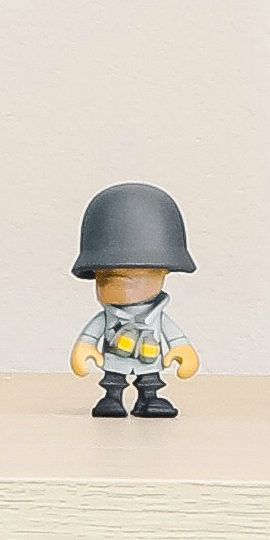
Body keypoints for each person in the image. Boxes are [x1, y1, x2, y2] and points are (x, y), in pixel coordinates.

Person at [65, 180, 199, 421]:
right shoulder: (107, 317)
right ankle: (112, 398)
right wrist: (85, 347)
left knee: (150, 380)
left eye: (138, 279)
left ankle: (149, 398)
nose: (124, 291)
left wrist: (181, 348)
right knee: (113, 380)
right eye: (108, 279)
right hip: (115, 359)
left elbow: (174, 336)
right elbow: (90, 335)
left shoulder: (157, 317)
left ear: (164, 272)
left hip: (150, 361)